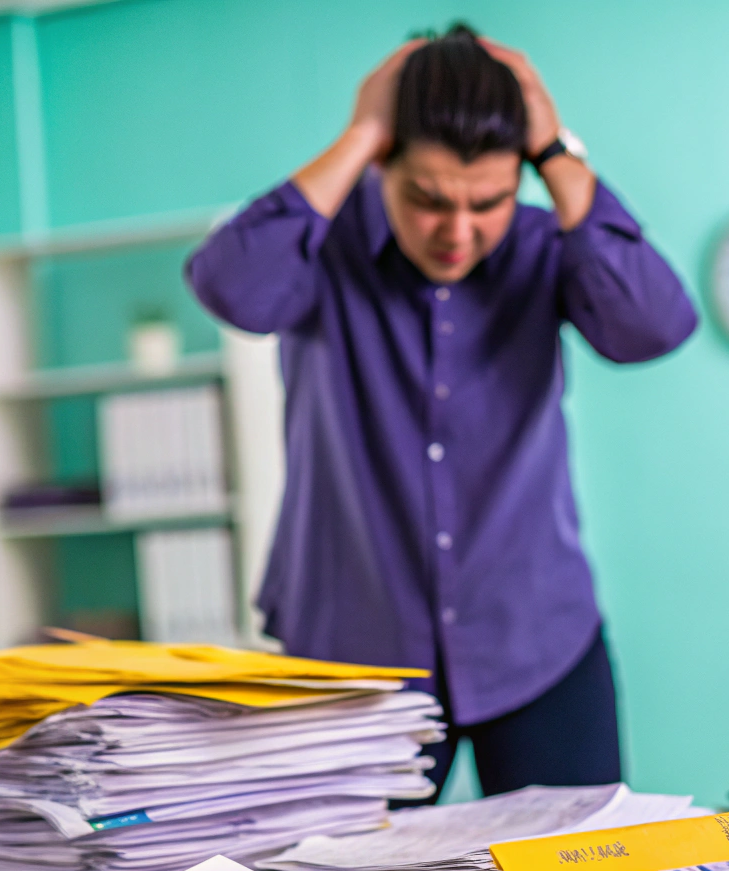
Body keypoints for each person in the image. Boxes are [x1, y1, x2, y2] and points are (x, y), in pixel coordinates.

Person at [186, 25, 697, 800]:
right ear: (383, 165)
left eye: (487, 202)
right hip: (350, 655)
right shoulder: (323, 247)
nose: (458, 233)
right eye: (427, 199)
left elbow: (652, 325)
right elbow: (233, 288)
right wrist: (363, 129)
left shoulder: (545, 245)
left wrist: (554, 149)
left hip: (536, 639)